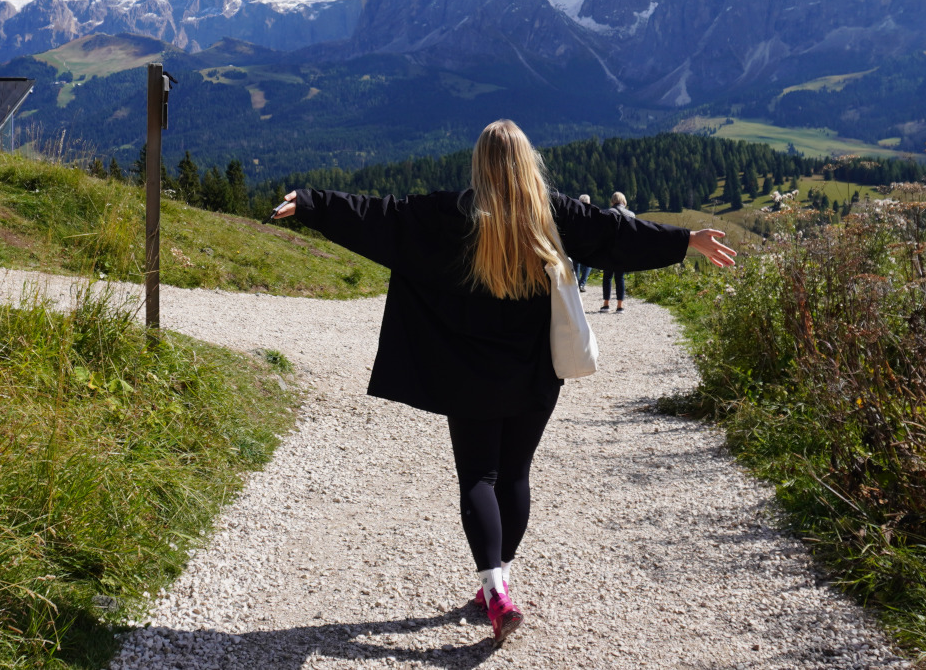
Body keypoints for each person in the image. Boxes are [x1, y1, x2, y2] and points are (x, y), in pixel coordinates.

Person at [273, 120, 735, 647]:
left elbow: (383, 218)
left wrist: (313, 203)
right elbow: (614, 234)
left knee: (478, 476)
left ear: (480, 165)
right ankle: (501, 587)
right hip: (535, 370)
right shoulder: (553, 213)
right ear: (527, 161)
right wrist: (685, 241)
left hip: (468, 371)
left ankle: (494, 590)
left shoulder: (452, 215)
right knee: (514, 475)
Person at [600, 191, 636, 312]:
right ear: (624, 201)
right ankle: (620, 306)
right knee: (620, 277)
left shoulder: (606, 213)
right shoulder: (631, 215)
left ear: (612, 201)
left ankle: (606, 304)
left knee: (607, 277)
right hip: (623, 249)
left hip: (608, 248)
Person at [573, 193, 594, 289]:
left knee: (576, 263)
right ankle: (582, 283)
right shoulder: (593, 212)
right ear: (589, 202)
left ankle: (577, 283)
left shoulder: (574, 211)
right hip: (588, 241)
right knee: (588, 264)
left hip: (576, 241)